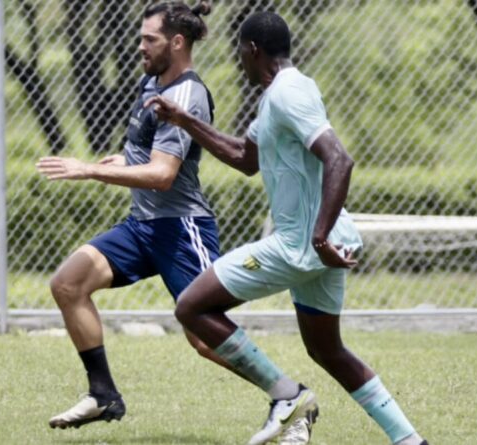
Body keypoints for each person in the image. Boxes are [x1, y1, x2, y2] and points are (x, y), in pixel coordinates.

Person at [145, 11, 429, 445]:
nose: (238, 59)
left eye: (239, 51)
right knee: (326, 350)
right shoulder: (281, 92)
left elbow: (339, 159)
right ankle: (410, 441)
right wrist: (185, 121)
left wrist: (317, 237)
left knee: (191, 307)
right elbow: (245, 157)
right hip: (323, 242)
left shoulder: (288, 94)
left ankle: (286, 395)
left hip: (302, 244)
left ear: (252, 50)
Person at [36, 1, 223, 430]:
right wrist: (123, 159)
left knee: (207, 338)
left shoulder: (186, 95)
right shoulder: (151, 82)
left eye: (149, 39)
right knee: (67, 284)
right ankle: (103, 395)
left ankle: (287, 395)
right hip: (141, 227)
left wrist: (89, 169)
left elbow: (162, 175)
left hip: (181, 229)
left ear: (177, 42)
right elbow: (149, 151)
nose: (140, 46)